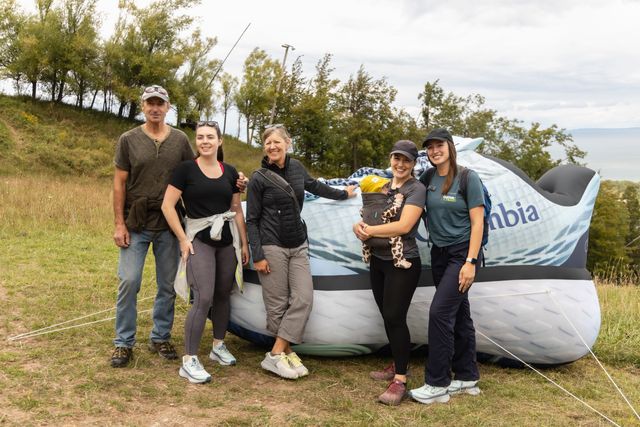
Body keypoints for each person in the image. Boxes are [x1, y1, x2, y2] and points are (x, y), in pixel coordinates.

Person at [246, 124, 356, 380]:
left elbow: (315, 187)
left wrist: (343, 194)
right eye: (267, 143)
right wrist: (258, 255)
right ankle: (283, 353)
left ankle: (275, 353)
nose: (272, 147)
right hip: (271, 244)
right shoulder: (259, 178)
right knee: (276, 304)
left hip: (297, 243)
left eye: (276, 142)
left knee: (304, 298)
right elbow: (251, 219)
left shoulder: (296, 168)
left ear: (287, 143)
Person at [111, 85, 195, 368]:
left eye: (160, 103)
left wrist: (233, 180)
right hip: (135, 222)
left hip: (169, 224)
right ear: (143, 106)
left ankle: (160, 336)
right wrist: (119, 224)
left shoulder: (181, 140)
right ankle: (123, 343)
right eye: (150, 103)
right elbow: (119, 183)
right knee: (129, 280)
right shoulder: (128, 139)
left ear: (168, 107)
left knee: (168, 285)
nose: (155, 108)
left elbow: (193, 175)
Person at [161, 121, 249, 384]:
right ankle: (189, 360)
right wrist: (182, 239)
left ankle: (217, 345)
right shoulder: (185, 170)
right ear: (196, 142)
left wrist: (243, 243)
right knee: (203, 296)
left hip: (226, 240)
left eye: (210, 137)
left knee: (223, 293)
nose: (205, 141)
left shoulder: (231, 172)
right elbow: (168, 206)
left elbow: (236, 209)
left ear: (220, 141)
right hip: (199, 239)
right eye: (200, 137)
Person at [409, 128, 484, 404]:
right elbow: (405, 189)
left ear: (450, 147)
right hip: (440, 254)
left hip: (462, 255)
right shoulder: (428, 177)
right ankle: (466, 376)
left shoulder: (467, 178)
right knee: (459, 314)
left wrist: (470, 263)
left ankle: (437, 383)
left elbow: (478, 223)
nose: (433, 151)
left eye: (438, 145)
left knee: (439, 313)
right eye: (429, 147)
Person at [352, 140, 426, 406]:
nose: (400, 164)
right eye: (397, 158)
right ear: (391, 159)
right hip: (379, 260)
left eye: (406, 160)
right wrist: (358, 226)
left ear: (414, 163)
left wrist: (369, 232)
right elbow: (370, 215)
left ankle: (400, 380)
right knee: (387, 315)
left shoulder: (416, 189)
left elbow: (404, 225)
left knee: (395, 316)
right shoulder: (382, 185)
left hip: (403, 262)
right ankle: (397, 362)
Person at [359, 175, 412, 269]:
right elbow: (391, 212)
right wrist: (398, 201)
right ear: (376, 191)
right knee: (396, 239)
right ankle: (399, 260)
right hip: (384, 238)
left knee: (364, 241)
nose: (388, 190)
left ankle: (366, 256)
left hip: (368, 239)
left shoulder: (364, 208)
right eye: (384, 188)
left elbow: (362, 214)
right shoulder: (382, 207)